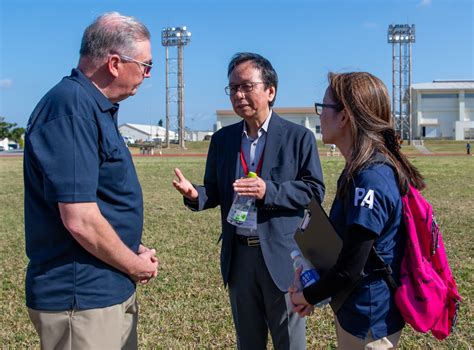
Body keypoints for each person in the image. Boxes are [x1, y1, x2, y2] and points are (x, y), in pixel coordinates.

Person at [23, 12, 158, 349]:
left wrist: (129, 246)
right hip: (81, 298)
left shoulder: (94, 107)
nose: (147, 74)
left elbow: (99, 198)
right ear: (114, 63)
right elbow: (80, 218)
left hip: (106, 287)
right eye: (145, 65)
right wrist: (134, 264)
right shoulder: (71, 108)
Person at [173, 52, 325, 349]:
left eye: (246, 86)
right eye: (233, 88)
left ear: (271, 91)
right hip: (239, 258)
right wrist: (195, 194)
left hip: (282, 259)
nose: (238, 95)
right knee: (248, 342)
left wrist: (267, 191)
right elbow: (215, 191)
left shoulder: (298, 138)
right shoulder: (223, 140)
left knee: (290, 343)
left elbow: (314, 190)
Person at [290, 72, 425, 349]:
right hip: (355, 309)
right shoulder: (360, 169)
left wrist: (308, 296)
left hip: (370, 319)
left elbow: (349, 269)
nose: (319, 116)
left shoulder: (370, 178)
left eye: (323, 107)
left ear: (344, 117)